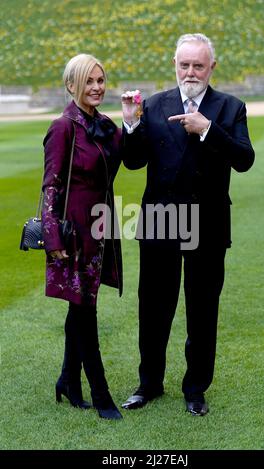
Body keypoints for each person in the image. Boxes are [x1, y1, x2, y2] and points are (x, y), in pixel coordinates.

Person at [121, 33, 255, 416]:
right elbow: (132, 162)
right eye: (184, 65)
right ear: (174, 65)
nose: (190, 72)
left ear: (212, 67)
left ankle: (195, 389)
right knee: (153, 308)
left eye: (198, 65)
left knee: (202, 310)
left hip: (209, 224)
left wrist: (208, 129)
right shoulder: (155, 104)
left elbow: (244, 159)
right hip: (161, 222)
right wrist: (130, 125)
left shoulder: (230, 107)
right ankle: (149, 384)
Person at [42, 53, 123, 420]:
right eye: (88, 81)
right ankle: (101, 394)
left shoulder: (105, 124)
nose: (96, 88)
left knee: (81, 306)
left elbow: (129, 156)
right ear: (72, 85)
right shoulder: (63, 127)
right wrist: (53, 239)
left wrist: (134, 123)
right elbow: (51, 185)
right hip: (73, 234)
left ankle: (67, 381)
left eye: (101, 80)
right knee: (86, 311)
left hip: (100, 231)